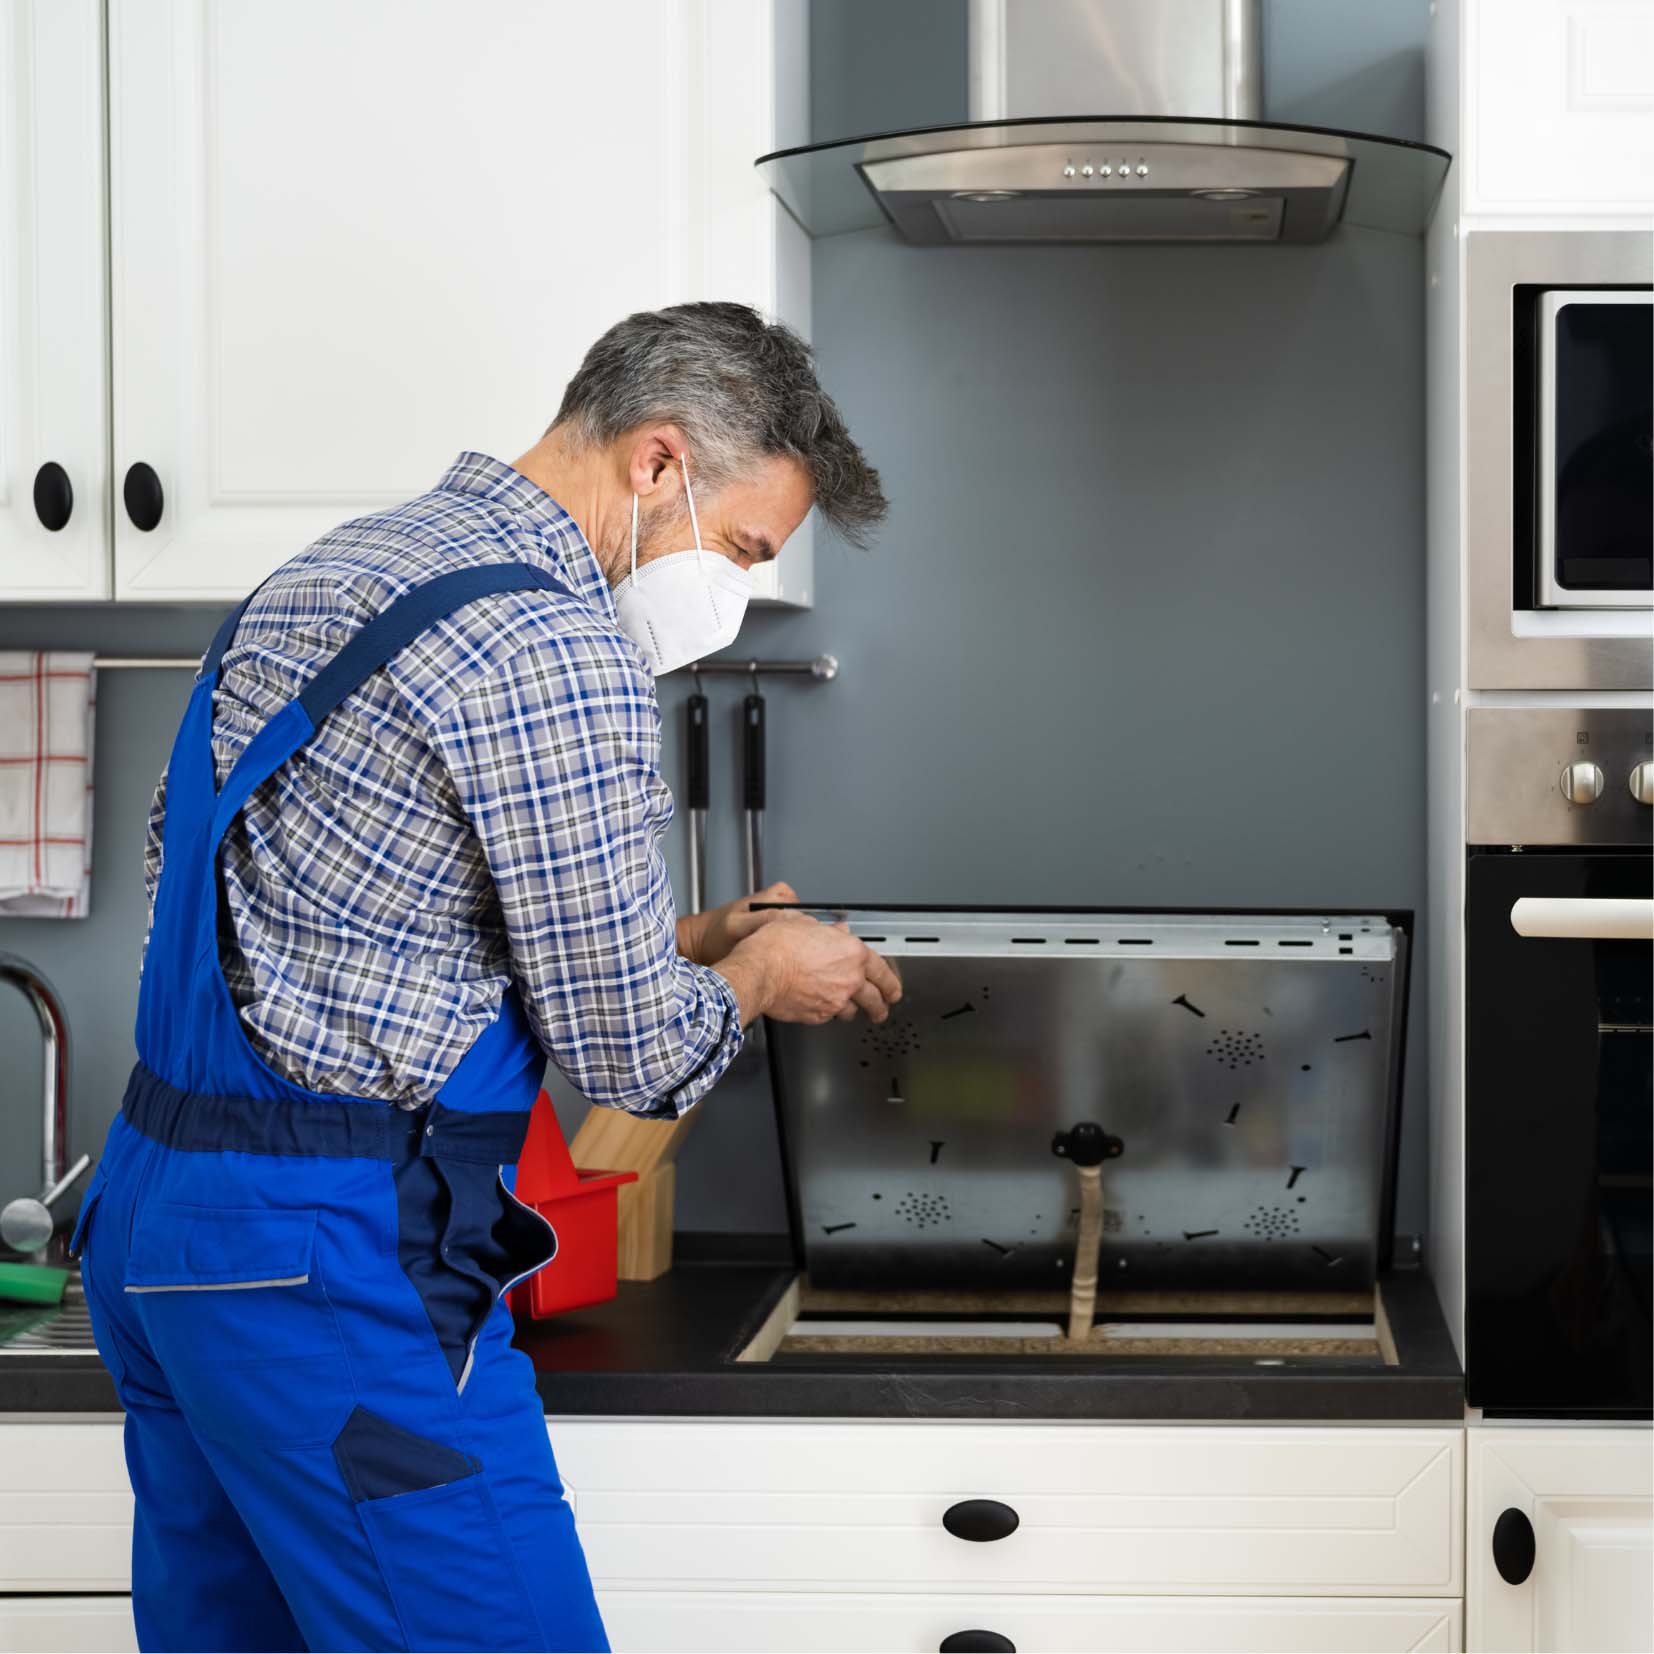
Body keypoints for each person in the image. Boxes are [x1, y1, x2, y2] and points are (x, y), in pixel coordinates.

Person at [72, 302, 899, 1653]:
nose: (736, 586)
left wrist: (681, 935)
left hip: (163, 1234)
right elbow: (639, 1059)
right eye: (743, 546)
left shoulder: (330, 572)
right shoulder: (554, 649)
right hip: (323, 1272)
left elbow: (331, 922)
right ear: (656, 463)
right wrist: (757, 974)